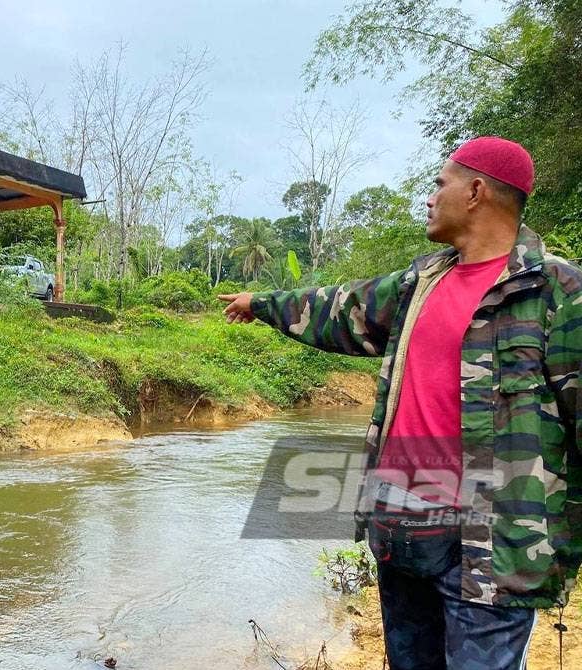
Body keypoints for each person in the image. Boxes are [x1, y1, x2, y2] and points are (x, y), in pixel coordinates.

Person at [219, 136, 581, 669]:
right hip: (401, 523)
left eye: (440, 185)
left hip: (494, 541)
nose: (430, 198)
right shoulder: (421, 283)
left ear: (476, 191)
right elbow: (339, 308)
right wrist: (261, 304)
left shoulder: (557, 290)